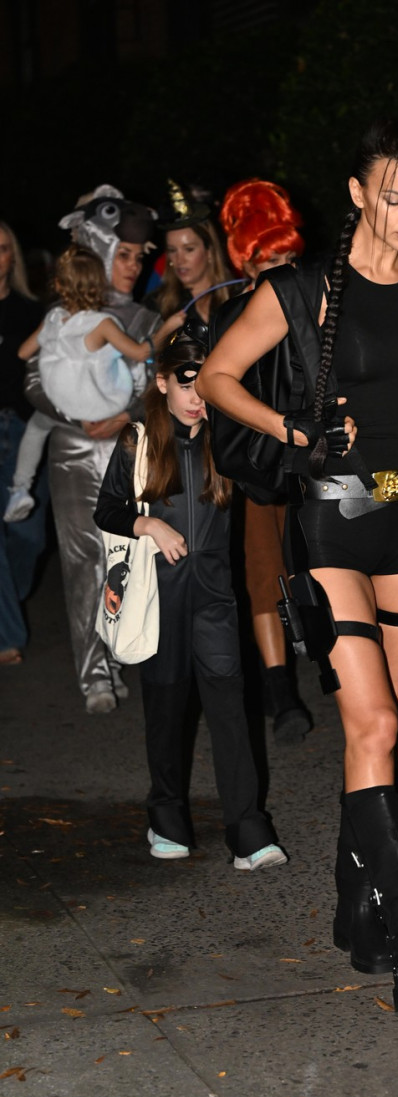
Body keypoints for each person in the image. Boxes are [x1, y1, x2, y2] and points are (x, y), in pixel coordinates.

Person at [198, 117, 398, 1013]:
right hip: (333, 522)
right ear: (356, 193)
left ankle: (355, 908)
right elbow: (220, 376)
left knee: (392, 728)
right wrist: (290, 431)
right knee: (372, 724)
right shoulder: (303, 290)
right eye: (392, 197)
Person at [94, 334, 287, 870]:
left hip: (214, 598)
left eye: (207, 383)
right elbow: (106, 509)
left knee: (229, 710)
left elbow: (272, 489)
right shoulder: (138, 441)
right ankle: (167, 817)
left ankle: (249, 832)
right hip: (158, 599)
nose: (198, 395)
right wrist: (147, 522)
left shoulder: (225, 439)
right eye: (187, 382)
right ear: (161, 383)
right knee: (167, 713)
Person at [25, 185, 163, 712]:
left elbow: (157, 386)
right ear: (99, 251)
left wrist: (125, 416)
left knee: (129, 554)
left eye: (137, 257)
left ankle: (121, 647)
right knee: (83, 561)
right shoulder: (61, 317)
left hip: (130, 450)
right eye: (123, 255)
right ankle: (94, 676)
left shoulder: (144, 320)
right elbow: (33, 379)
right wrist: (75, 416)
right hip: (72, 452)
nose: (132, 266)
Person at [217, 178, 312, 742]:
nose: (280, 268)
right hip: (255, 464)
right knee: (262, 574)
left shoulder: (317, 300)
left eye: (287, 257)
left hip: (313, 457)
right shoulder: (228, 315)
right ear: (247, 264)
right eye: (267, 259)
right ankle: (281, 691)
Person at [6, 245, 181, 523]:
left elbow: (23, 353)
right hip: (104, 404)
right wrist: (169, 326)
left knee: (37, 427)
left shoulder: (52, 317)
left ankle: (20, 488)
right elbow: (141, 352)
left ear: (60, 284)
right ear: (99, 285)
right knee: (132, 365)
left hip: (65, 403)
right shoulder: (103, 324)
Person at [0, 220, 45, 665]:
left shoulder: (33, 312)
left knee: (28, 537)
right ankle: (5, 636)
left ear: (13, 255)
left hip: (25, 435)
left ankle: (5, 602)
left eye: (1, 248)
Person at [149, 181, 238, 345]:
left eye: (188, 249)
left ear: (210, 251)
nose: (179, 260)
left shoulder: (238, 296)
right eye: (172, 250)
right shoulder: (156, 305)